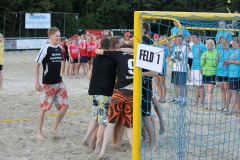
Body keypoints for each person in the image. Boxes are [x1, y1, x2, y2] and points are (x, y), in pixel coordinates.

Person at [95, 40, 134, 159]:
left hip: (119, 93)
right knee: (129, 126)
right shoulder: (138, 55)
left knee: (110, 124)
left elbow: (98, 51)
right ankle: (134, 152)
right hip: (132, 94)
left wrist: (118, 50)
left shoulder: (118, 54)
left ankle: (102, 151)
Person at [82, 37, 117, 154]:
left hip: (93, 90)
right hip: (104, 92)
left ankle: (87, 137)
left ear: (101, 46)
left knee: (96, 116)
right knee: (103, 121)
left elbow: (90, 74)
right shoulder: (113, 60)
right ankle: (97, 147)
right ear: (110, 46)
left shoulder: (96, 58)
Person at [35, 27, 69, 139]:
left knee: (65, 105)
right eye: (56, 36)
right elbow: (37, 64)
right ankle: (39, 133)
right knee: (44, 108)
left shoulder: (60, 48)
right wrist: (37, 82)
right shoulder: (45, 48)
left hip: (59, 82)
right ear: (50, 36)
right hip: (48, 84)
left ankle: (53, 128)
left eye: (59, 36)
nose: (58, 38)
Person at [215, 38, 233, 111]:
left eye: (224, 42)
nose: (223, 44)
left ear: (227, 43)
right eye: (222, 43)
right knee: (221, 88)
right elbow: (216, 62)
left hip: (227, 72)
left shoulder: (230, 51)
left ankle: (227, 106)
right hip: (219, 72)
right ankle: (223, 105)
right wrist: (217, 56)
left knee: (227, 88)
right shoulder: (219, 51)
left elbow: (232, 62)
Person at [171, 35, 188, 105]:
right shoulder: (176, 47)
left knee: (182, 85)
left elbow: (180, 57)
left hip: (182, 69)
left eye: (180, 39)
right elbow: (172, 57)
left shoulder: (185, 48)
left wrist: (175, 57)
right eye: (178, 40)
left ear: (183, 39)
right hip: (175, 68)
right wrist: (175, 57)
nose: (179, 41)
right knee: (176, 84)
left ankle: (184, 99)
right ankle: (179, 97)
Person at [191, 31, 207, 107]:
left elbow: (206, 57)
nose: (193, 39)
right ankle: (195, 101)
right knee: (195, 85)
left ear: (198, 38)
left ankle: (201, 102)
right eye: (192, 37)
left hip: (199, 68)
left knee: (200, 85)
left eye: (194, 37)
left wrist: (203, 67)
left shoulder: (202, 46)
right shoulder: (193, 46)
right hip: (194, 68)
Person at [201, 39, 217, 110]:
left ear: (212, 45)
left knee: (210, 90)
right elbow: (202, 63)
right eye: (207, 44)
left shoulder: (215, 53)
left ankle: (209, 106)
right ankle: (208, 105)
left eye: (209, 44)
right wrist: (204, 59)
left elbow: (214, 63)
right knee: (207, 90)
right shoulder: (205, 52)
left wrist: (206, 60)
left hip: (212, 73)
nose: (208, 46)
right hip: (205, 73)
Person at [226, 38, 240, 115]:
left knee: (234, 92)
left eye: (235, 43)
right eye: (232, 43)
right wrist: (227, 62)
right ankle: (238, 109)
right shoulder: (232, 52)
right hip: (231, 74)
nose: (233, 45)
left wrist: (231, 61)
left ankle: (231, 110)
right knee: (236, 92)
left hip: (236, 74)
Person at [156, 36, 169, 103]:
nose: (161, 42)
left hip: (162, 67)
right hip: (156, 67)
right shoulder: (156, 47)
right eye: (160, 40)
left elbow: (164, 56)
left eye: (162, 40)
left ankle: (163, 97)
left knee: (162, 83)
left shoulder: (166, 48)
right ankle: (160, 96)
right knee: (157, 83)